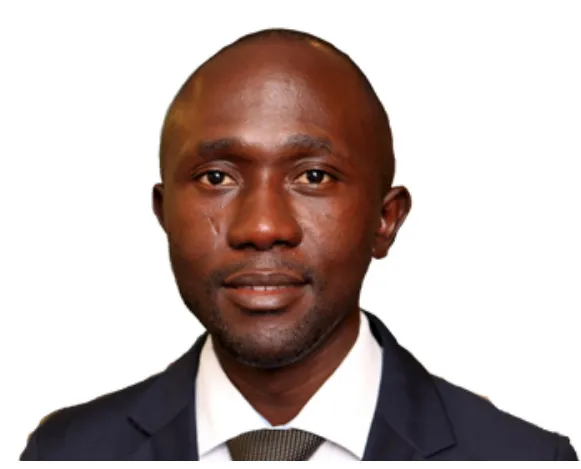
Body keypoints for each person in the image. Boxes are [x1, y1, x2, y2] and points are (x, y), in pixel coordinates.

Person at [20, 28, 577, 461]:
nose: (262, 227)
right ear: (164, 215)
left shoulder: (523, 458)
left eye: (313, 176)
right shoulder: (65, 454)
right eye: (217, 177)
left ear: (385, 220)